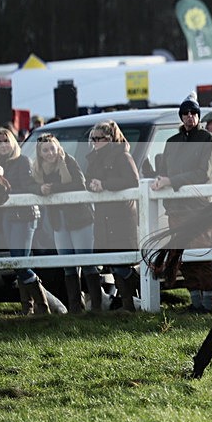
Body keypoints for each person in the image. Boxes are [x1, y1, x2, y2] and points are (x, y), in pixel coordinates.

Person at [151, 94, 212, 312]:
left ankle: (208, 301)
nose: (190, 117)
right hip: (177, 207)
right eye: (186, 113)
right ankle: (195, 300)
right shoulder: (171, 143)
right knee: (182, 255)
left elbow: (204, 173)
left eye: (193, 113)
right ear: (181, 116)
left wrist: (172, 181)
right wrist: (161, 180)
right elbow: (164, 170)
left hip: (199, 206)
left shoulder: (208, 139)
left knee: (202, 253)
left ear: (198, 116)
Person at [31, 134, 99, 312]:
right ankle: (76, 307)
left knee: (86, 262)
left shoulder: (68, 161)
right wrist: (39, 189)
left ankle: (97, 307)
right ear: (39, 152)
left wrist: (53, 188)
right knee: (68, 264)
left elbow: (79, 184)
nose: (50, 153)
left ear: (58, 148)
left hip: (79, 218)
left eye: (52, 148)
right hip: (58, 221)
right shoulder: (38, 168)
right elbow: (29, 185)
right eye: (45, 150)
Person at [85, 120, 140, 312]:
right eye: (92, 138)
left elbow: (133, 181)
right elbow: (89, 178)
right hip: (103, 216)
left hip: (121, 216)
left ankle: (130, 303)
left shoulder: (122, 156)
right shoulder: (94, 158)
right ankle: (125, 304)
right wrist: (92, 185)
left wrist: (105, 184)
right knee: (111, 262)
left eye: (98, 138)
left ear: (109, 139)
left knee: (121, 264)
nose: (94, 142)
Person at [0, 127, 48, 314]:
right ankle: (28, 308)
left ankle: (43, 305)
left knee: (20, 262)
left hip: (25, 216)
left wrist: (4, 190)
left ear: (13, 142)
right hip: (7, 218)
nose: (2, 144)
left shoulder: (23, 161)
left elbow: (27, 187)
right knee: (18, 262)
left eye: (6, 140)